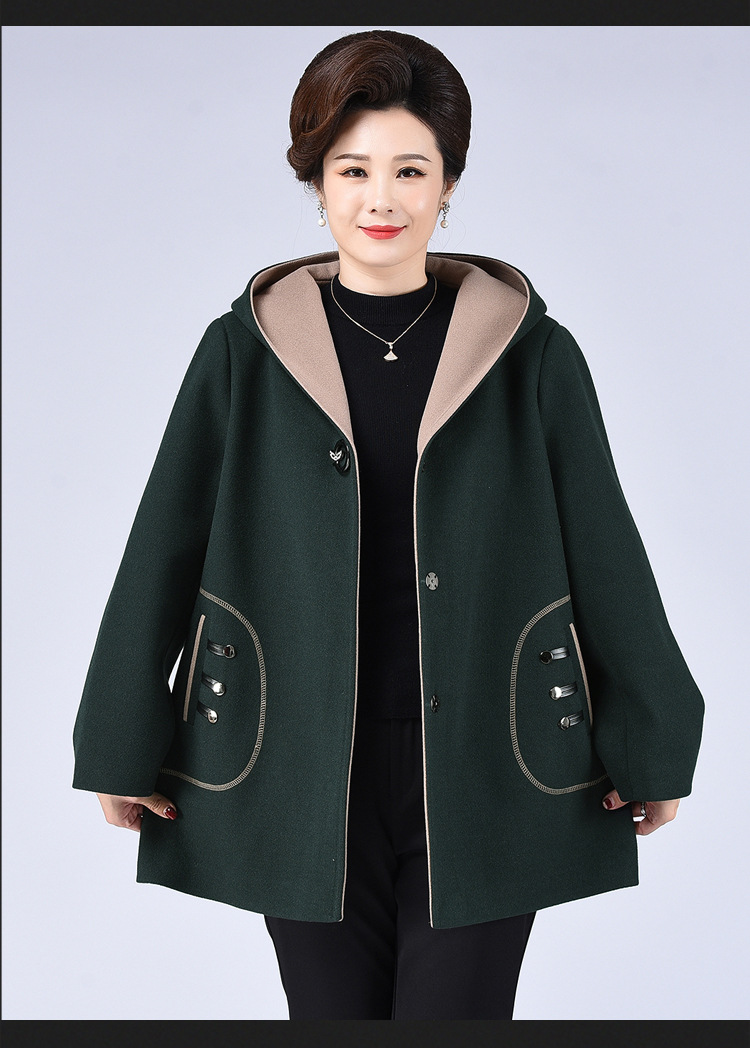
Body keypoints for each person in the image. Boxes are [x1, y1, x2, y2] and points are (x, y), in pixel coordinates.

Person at [72, 30, 705, 1020]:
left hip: (491, 763)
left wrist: (654, 739)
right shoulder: (244, 352)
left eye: (410, 170)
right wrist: (120, 738)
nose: (381, 198)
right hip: (294, 767)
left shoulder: (531, 354)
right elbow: (165, 542)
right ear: (317, 183)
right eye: (352, 169)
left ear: (448, 184)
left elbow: (605, 548)